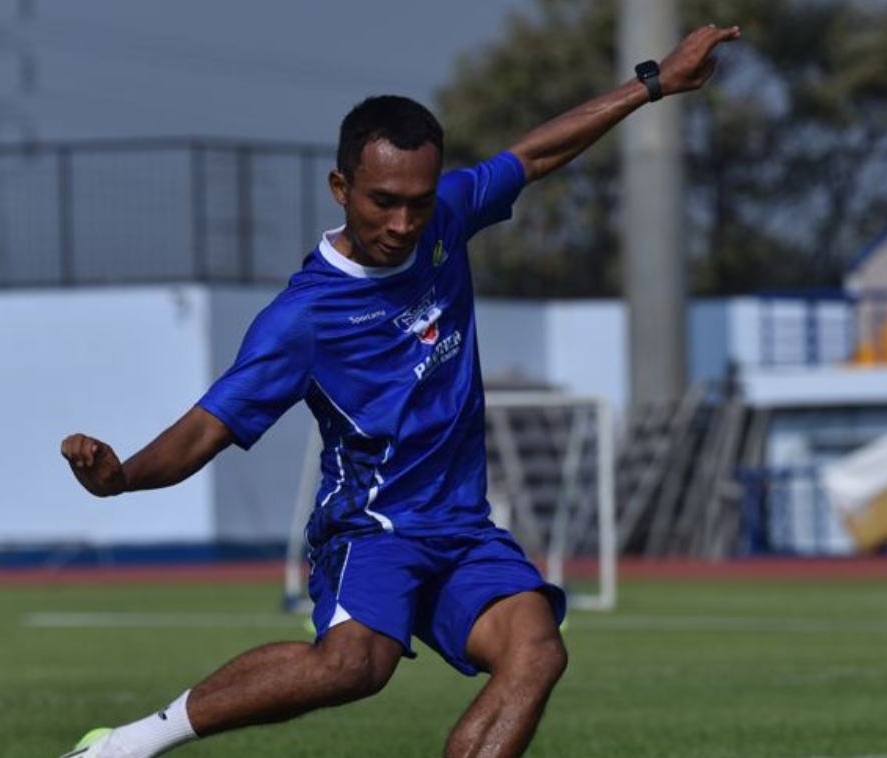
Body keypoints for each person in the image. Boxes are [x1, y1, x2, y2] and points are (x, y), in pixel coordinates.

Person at [56, 22, 740, 758]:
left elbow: (537, 152)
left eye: (417, 201)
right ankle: (129, 744)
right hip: (372, 529)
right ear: (340, 187)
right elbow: (205, 429)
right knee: (355, 666)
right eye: (383, 201)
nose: (403, 222)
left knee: (537, 650)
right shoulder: (303, 318)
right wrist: (121, 478)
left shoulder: (445, 217)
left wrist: (652, 84)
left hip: (461, 528)